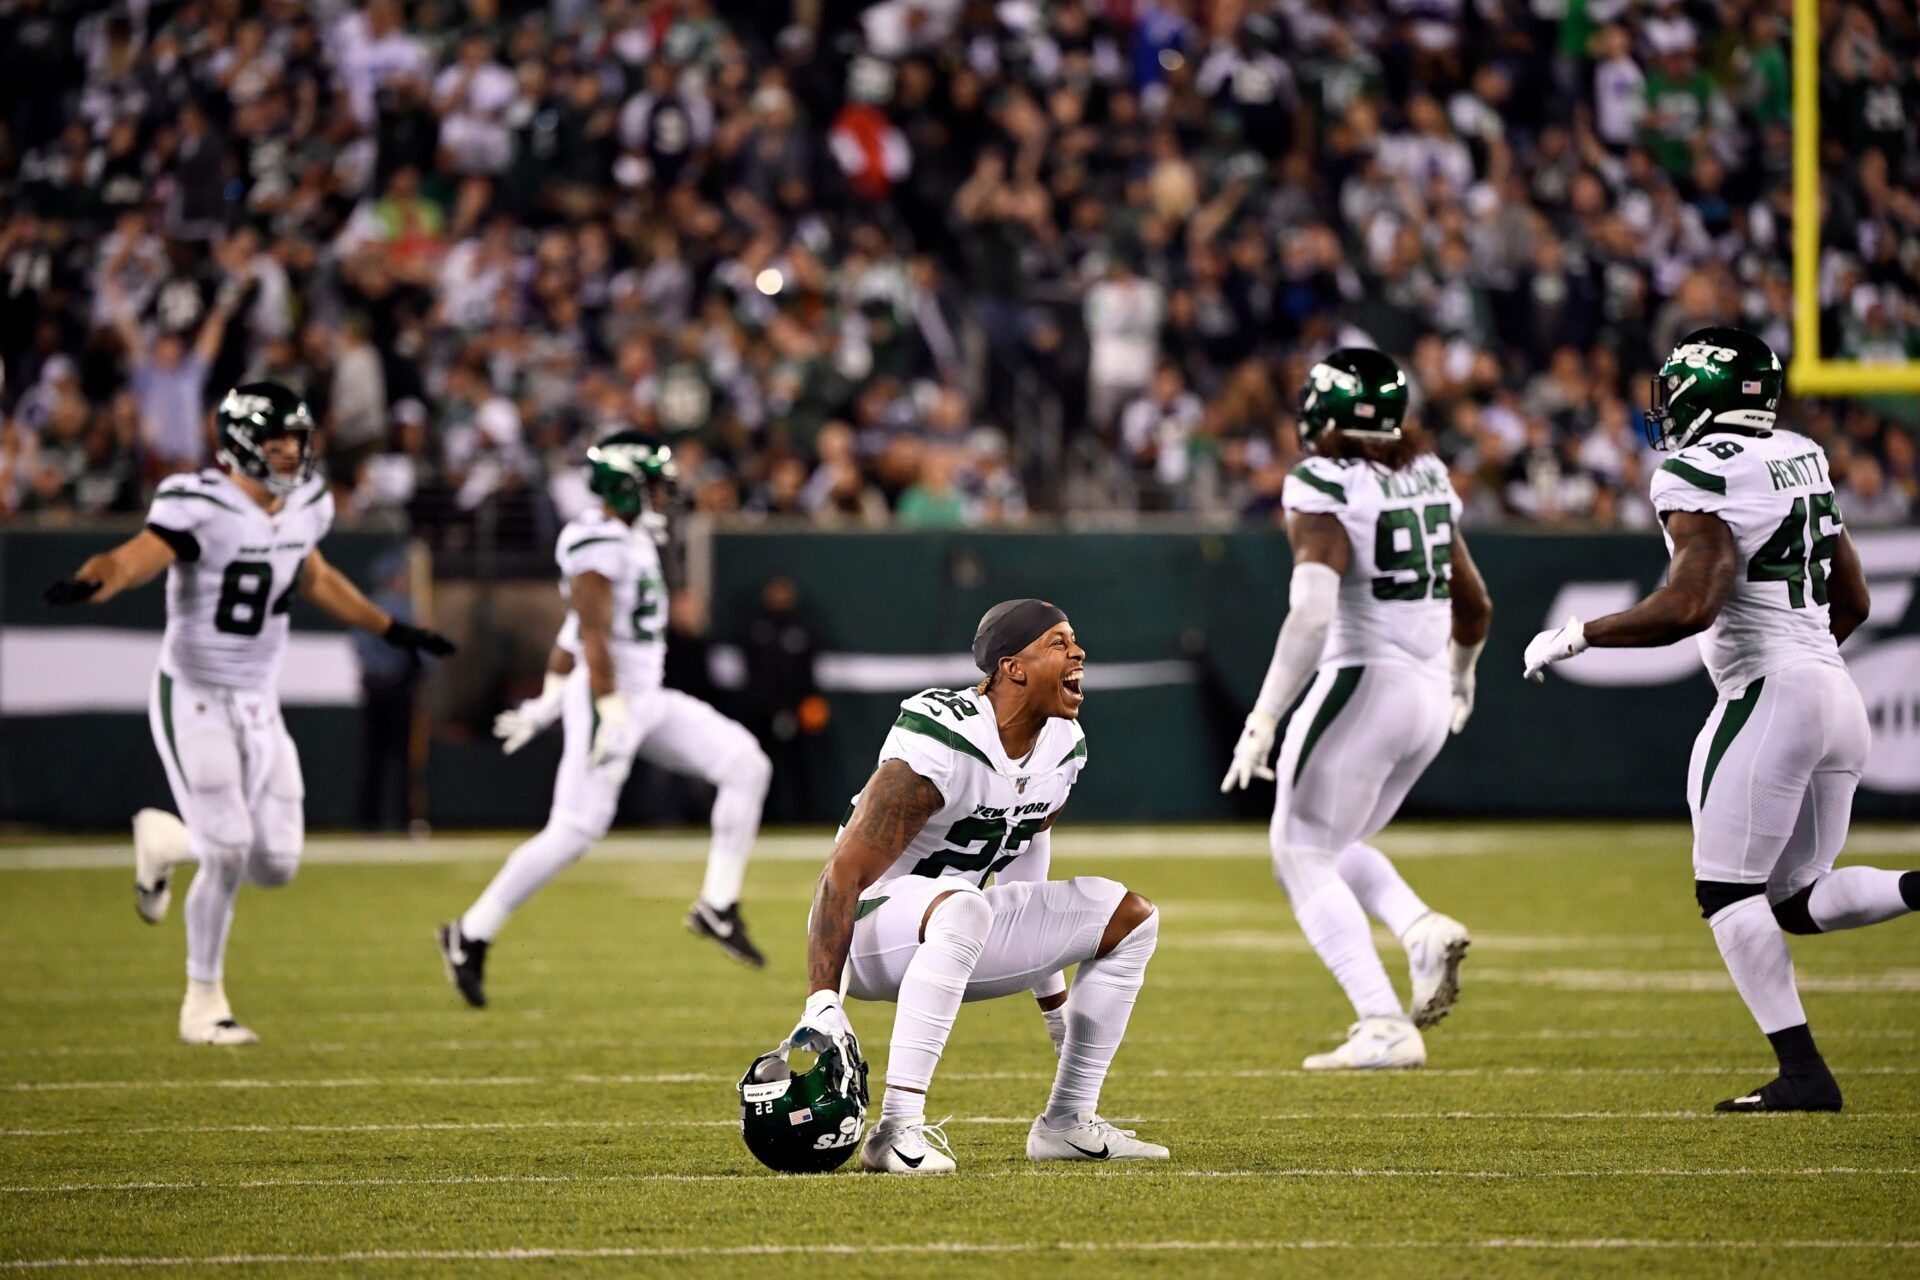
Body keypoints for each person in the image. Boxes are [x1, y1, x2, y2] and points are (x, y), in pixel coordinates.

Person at [1524, 327, 1911, 1113]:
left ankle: (1803, 1074)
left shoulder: (1696, 470)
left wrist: (1581, 633)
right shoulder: (1800, 451)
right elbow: (1857, 601)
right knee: (1797, 899)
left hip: (1774, 693)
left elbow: (1691, 605)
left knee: (1727, 892)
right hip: (1836, 696)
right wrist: (1803, 670)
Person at [41, 382, 456, 1044]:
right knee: (231, 848)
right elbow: (134, 558)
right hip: (196, 692)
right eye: (276, 443)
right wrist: (96, 579)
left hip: (261, 703)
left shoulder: (304, 506)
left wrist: (391, 629)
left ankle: (167, 839)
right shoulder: (198, 502)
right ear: (239, 447)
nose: (292, 454)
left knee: (277, 863)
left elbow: (314, 576)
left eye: (296, 441)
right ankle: (202, 1002)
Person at [785, 600, 1169, 1175]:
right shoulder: (944, 732)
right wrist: (822, 1001)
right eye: (1058, 643)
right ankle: (897, 1130)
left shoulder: (1064, 745)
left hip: (957, 927)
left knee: (1129, 916)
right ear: (1012, 667)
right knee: (963, 905)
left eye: (1075, 640)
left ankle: (1068, 1120)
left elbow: (1023, 869)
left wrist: (1054, 1005)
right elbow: (843, 873)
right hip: (868, 932)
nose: (1078, 653)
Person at [1222, 348, 1493, 1070]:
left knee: (1299, 851)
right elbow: (1475, 602)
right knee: (1335, 845)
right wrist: (1462, 676)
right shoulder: (1426, 473)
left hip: (1362, 683)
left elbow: (1312, 614)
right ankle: (1418, 927)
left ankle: (1381, 1021)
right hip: (1429, 693)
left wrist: (1264, 717)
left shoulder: (1323, 479)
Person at [437, 432, 772, 1004]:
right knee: (573, 831)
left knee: (745, 763)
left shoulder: (630, 537)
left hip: (643, 697)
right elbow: (592, 633)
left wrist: (546, 699)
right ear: (625, 486)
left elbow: (574, 633)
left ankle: (717, 905)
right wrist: (606, 707)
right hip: (609, 697)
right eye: (652, 484)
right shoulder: (595, 540)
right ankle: (470, 933)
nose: (663, 494)